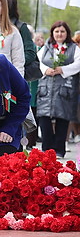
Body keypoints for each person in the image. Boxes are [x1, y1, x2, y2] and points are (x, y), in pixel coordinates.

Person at [36, 21, 80, 159]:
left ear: (67, 33)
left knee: (62, 118)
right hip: (46, 88)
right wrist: (46, 70)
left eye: (62, 31)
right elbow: (38, 62)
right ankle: (47, 149)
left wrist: (63, 70)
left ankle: (59, 150)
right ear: (52, 33)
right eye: (57, 31)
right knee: (44, 118)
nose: (59, 34)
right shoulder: (46, 47)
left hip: (64, 88)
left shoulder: (73, 48)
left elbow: (78, 64)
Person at [3, 0, 38, 150]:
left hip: (14, 79)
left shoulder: (21, 27)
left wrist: (9, 62)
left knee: (15, 117)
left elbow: (30, 53)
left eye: (0, 4)